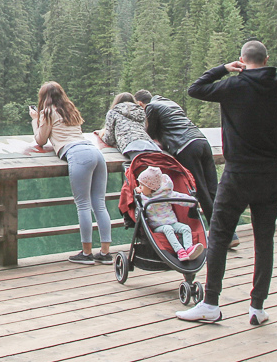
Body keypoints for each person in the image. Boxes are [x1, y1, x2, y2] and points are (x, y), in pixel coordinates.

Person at [176, 40, 277, 326]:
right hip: (271, 174)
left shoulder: (233, 86)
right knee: (264, 240)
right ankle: (257, 308)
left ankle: (211, 303)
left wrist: (223, 69)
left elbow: (195, 89)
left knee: (219, 236)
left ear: (242, 59)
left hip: (238, 174)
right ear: (266, 59)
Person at [133, 89, 234, 246]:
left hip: (186, 147)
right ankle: (231, 234)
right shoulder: (168, 102)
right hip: (202, 141)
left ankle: (221, 237)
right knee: (213, 190)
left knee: (201, 191)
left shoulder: (151, 107)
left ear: (140, 104)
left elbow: (149, 133)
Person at [31, 81, 113, 265]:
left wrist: (34, 120)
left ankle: (86, 253)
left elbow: (41, 140)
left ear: (43, 98)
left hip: (77, 155)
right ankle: (106, 253)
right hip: (95, 153)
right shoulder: (70, 109)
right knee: (99, 204)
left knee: (83, 205)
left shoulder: (47, 112)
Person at [136, 166, 204, 261]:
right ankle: (180, 251)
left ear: (151, 187)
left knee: (185, 228)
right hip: (157, 226)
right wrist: (139, 193)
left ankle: (188, 249)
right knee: (168, 229)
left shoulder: (166, 194)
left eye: (142, 186)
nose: (139, 187)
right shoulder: (143, 197)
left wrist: (194, 202)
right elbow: (139, 204)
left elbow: (180, 198)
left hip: (171, 222)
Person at [99, 92, 161, 161]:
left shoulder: (113, 112)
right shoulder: (141, 111)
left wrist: (101, 135)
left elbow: (109, 140)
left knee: (141, 167)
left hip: (132, 146)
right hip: (150, 144)